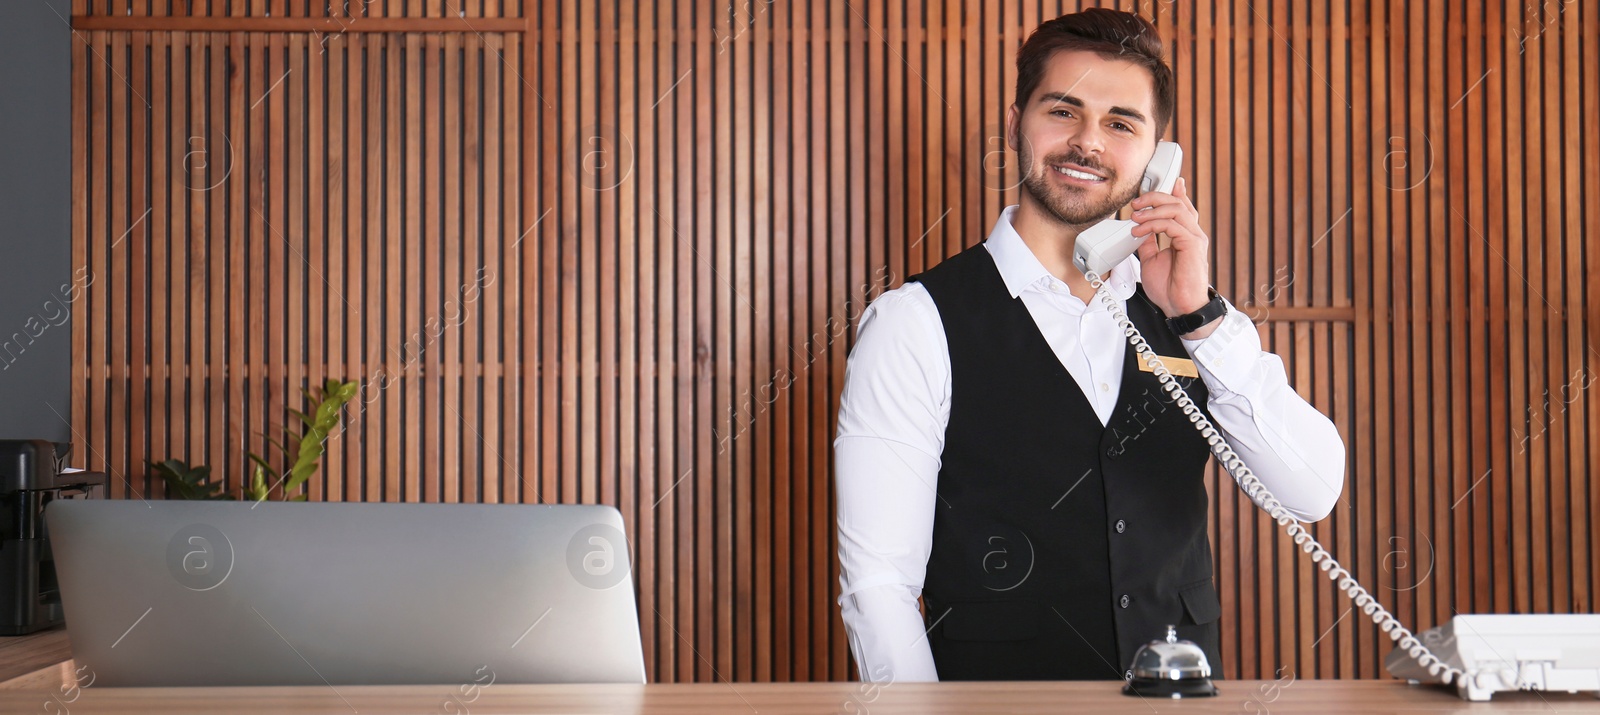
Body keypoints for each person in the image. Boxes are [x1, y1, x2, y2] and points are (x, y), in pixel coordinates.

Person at [833, 8, 1346, 683]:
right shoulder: (914, 323)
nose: (1087, 143)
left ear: (1159, 154)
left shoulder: (1195, 320)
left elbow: (1312, 489)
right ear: (1016, 124)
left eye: (1120, 123)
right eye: (1063, 111)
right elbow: (878, 588)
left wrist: (1200, 316)